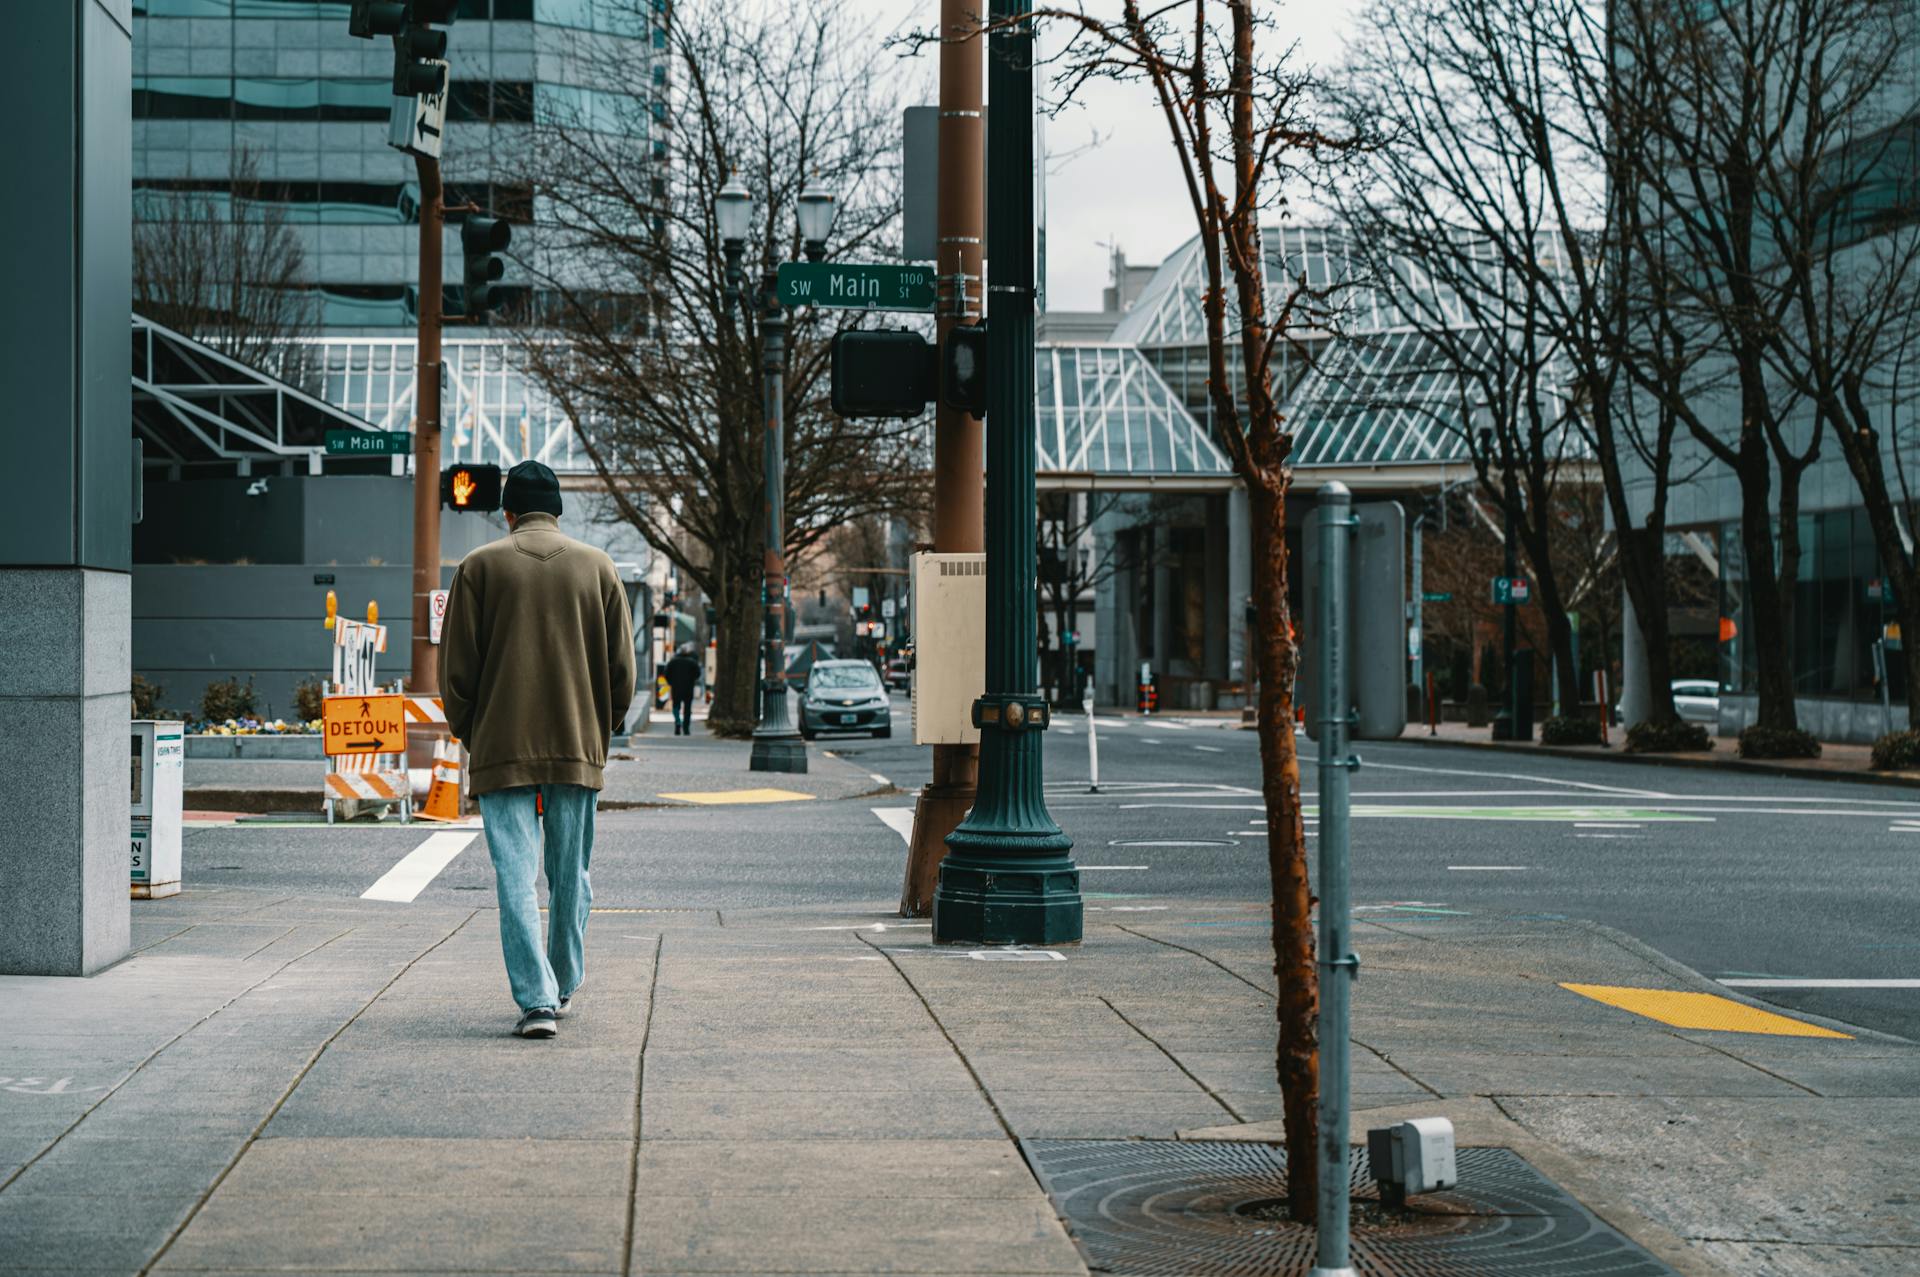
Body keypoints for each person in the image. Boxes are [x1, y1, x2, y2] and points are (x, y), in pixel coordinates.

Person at [440, 460, 635, 1039]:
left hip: (502, 744)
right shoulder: (598, 568)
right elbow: (622, 671)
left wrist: (475, 732)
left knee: (515, 877)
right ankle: (566, 979)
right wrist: (599, 730)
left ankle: (536, 1001)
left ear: (507, 513)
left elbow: (456, 672)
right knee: (570, 872)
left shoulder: (479, 567)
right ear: (557, 509)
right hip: (577, 742)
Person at [663, 643, 701, 736]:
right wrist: (692, 680)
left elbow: (666, 673)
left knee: (676, 706)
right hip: (688, 688)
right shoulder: (692, 662)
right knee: (687, 709)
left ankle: (677, 722)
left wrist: (671, 682)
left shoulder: (673, 662)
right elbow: (698, 674)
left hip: (676, 688)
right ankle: (686, 727)